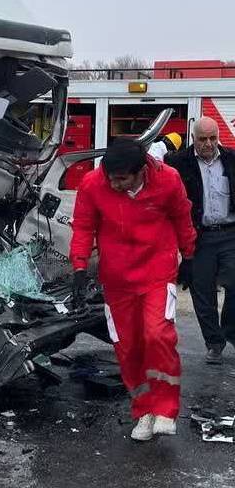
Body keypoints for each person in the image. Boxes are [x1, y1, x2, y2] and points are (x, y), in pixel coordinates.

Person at [70, 138, 196, 441]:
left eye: (122, 179)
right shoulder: (93, 183)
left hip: (157, 271)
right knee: (128, 347)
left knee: (157, 335)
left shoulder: (168, 179)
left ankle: (165, 409)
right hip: (117, 280)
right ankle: (143, 411)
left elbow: (182, 216)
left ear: (142, 171)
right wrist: (79, 267)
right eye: (110, 177)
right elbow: (84, 226)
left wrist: (189, 255)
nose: (114, 184)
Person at [165, 117, 235, 364]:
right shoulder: (177, 163)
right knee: (202, 293)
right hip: (199, 237)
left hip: (230, 234)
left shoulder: (231, 159)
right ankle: (214, 343)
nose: (208, 144)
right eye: (203, 139)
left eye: (213, 138)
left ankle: (229, 329)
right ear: (193, 138)